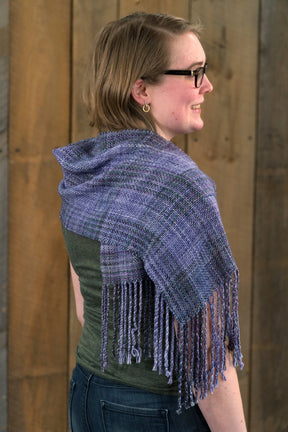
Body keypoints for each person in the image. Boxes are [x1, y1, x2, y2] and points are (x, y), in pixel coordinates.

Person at [53, 12, 247, 432]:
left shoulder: (86, 170)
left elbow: (88, 309)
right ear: (141, 89)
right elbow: (208, 351)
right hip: (154, 408)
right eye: (195, 73)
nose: (207, 86)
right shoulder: (179, 187)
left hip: (88, 391)